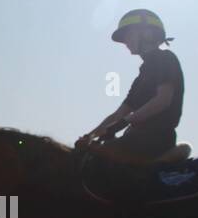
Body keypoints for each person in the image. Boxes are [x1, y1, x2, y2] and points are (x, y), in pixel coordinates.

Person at [77, 9, 188, 162]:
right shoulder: (141, 77)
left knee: (98, 160)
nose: (126, 42)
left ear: (147, 34)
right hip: (135, 139)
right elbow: (118, 114)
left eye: (128, 36)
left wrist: (124, 122)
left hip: (156, 139)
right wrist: (90, 136)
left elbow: (163, 100)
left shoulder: (166, 58)